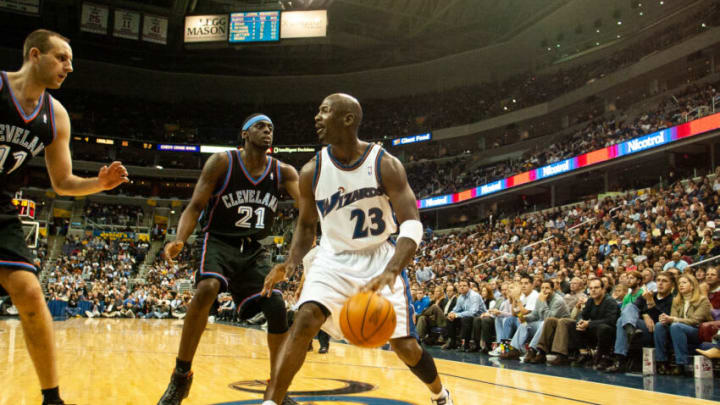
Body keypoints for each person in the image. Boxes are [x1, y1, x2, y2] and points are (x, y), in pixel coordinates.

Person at [261, 94, 453, 405]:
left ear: (348, 119)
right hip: (332, 258)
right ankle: (272, 402)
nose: (317, 117)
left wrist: (393, 269)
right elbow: (307, 226)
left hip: (379, 256)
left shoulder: (385, 164)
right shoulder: (312, 170)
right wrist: (292, 262)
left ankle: (440, 394)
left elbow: (412, 224)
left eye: (325, 111)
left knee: (405, 347)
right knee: (305, 319)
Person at [0, 29, 129, 405]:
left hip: (2, 205)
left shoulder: (55, 115)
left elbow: (63, 182)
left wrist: (100, 184)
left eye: (70, 61)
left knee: (29, 290)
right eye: (62, 58)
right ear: (35, 55)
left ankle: (52, 398)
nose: (69, 68)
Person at [158, 113, 300, 405]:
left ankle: (278, 387)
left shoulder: (284, 172)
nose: (267, 131)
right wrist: (179, 239)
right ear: (244, 134)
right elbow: (196, 205)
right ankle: (181, 375)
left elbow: (308, 211)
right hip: (219, 241)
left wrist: (294, 259)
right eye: (260, 126)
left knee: (275, 304)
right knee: (208, 288)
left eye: (271, 128)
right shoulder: (222, 162)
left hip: (254, 250)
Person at [653, 273, 712, 376]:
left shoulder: (702, 300)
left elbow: (695, 321)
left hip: (697, 331)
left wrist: (673, 319)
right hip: (678, 329)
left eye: (684, 283)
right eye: (679, 283)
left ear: (692, 285)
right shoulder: (676, 300)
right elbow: (673, 318)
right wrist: (665, 319)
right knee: (659, 325)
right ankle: (661, 362)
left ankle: (682, 364)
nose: (681, 285)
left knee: (676, 326)